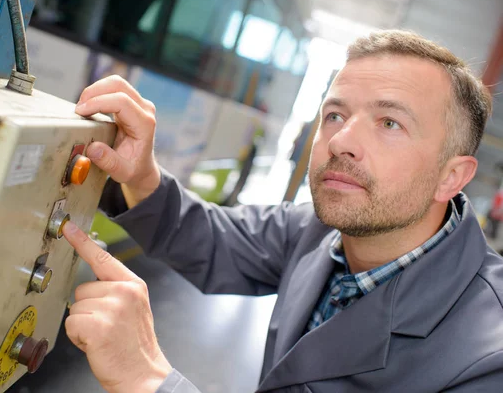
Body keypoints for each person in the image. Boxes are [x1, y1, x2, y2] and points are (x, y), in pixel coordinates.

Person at [60, 30, 501, 392]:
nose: (342, 140)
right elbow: (208, 238)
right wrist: (140, 176)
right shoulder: (313, 228)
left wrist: (152, 381)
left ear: (452, 176)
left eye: (390, 123)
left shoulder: (488, 359)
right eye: (334, 115)